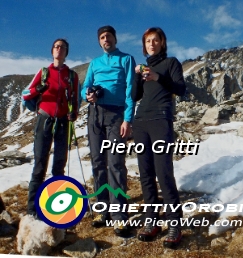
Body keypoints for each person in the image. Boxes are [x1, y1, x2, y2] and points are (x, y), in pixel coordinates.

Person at [131, 27, 186, 247]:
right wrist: (137, 77)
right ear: (144, 45)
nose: (151, 44)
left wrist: (158, 77)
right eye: (147, 41)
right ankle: (151, 220)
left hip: (161, 119)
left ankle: (174, 223)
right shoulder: (145, 68)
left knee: (164, 173)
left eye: (155, 40)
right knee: (145, 174)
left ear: (162, 42)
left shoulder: (171, 63)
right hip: (140, 121)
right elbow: (136, 96)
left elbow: (180, 89)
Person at [81, 25, 136, 237]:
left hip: (116, 116)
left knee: (115, 163)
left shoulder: (126, 59)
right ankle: (102, 210)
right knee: (97, 162)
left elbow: (130, 91)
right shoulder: (94, 63)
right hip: (95, 114)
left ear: (115, 38)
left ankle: (119, 215)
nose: (106, 40)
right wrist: (89, 95)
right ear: (99, 42)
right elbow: (86, 86)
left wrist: (127, 119)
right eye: (102, 37)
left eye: (109, 36)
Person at [24, 39, 80, 215]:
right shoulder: (43, 72)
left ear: (66, 52)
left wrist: (74, 114)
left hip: (63, 122)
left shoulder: (72, 76)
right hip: (45, 120)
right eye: (56, 46)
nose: (59, 49)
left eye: (63, 47)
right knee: (40, 164)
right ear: (52, 51)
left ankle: (56, 207)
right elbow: (25, 94)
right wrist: (38, 90)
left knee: (59, 166)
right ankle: (32, 209)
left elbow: (75, 100)